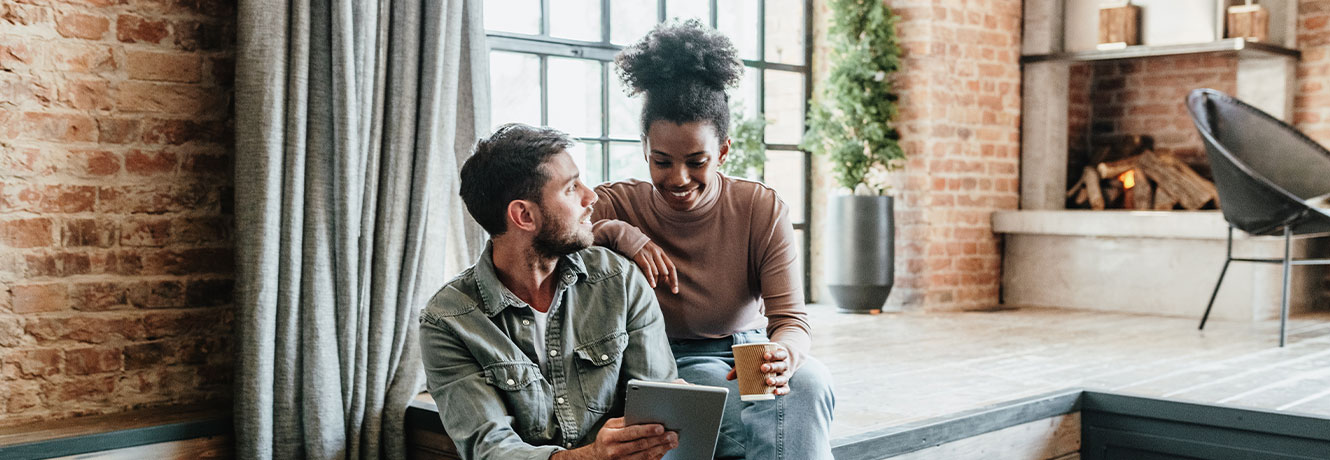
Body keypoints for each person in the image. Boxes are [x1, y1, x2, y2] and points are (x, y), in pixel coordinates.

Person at [591, 20, 836, 460]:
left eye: (696, 161)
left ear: (723, 151)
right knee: (711, 395)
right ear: (644, 148)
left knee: (811, 383)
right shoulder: (616, 205)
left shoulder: (760, 207)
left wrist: (786, 355)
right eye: (661, 161)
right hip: (672, 359)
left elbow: (791, 321)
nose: (679, 178)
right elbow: (553, 248)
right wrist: (617, 233)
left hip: (751, 350)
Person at [420, 123, 681, 460]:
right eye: (571, 188)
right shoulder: (448, 321)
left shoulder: (620, 280)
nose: (592, 197)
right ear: (524, 215)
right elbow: (491, 449)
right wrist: (593, 456)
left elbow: (656, 415)